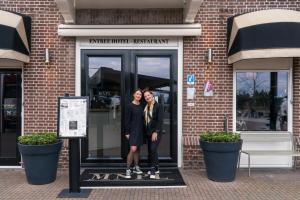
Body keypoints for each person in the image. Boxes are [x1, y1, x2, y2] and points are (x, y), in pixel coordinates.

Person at [143, 88, 164, 179]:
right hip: (148, 132)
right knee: (151, 150)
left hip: (156, 132)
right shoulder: (146, 107)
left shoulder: (158, 106)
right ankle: (156, 167)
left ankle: (152, 169)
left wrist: (156, 132)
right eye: (145, 96)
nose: (147, 97)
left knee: (153, 149)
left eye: (148, 95)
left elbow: (160, 120)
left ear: (152, 95)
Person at [124, 89, 144, 178]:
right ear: (134, 95)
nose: (139, 96)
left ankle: (136, 167)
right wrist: (127, 132)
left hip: (140, 130)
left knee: (137, 149)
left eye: (140, 94)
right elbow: (126, 120)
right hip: (132, 131)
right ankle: (128, 169)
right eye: (137, 94)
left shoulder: (142, 106)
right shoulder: (129, 106)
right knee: (132, 149)